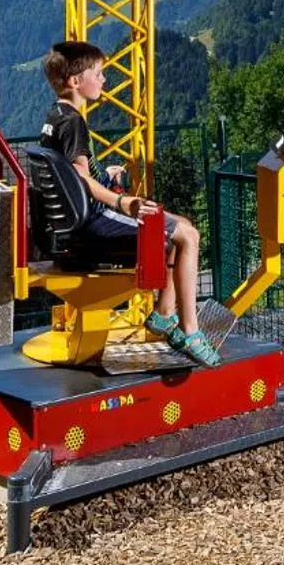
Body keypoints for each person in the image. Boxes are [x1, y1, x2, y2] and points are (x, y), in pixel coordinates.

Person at [41, 41, 220, 368]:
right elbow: (79, 178)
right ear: (75, 81)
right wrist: (123, 201)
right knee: (188, 236)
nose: (104, 79)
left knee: (182, 226)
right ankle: (190, 330)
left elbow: (74, 174)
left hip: (81, 218)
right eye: (98, 73)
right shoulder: (73, 122)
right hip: (93, 223)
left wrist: (103, 174)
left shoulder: (56, 116)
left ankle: (164, 313)